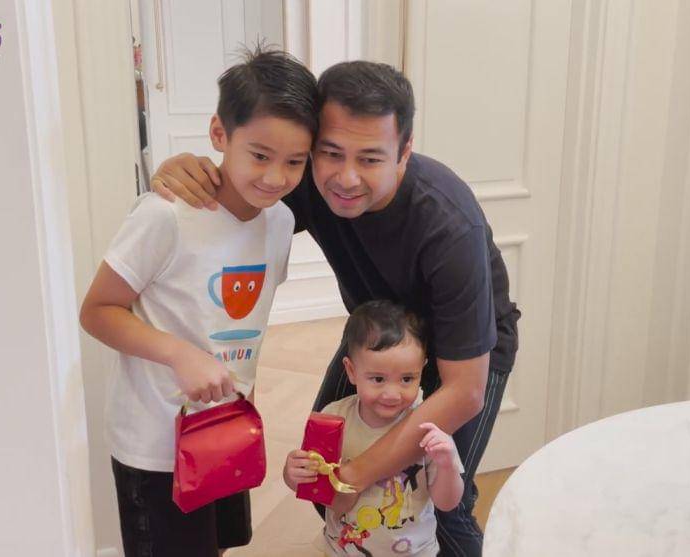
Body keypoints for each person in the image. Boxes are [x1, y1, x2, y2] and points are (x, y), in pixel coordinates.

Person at [153, 59, 520, 556]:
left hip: (464, 354)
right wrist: (185, 172)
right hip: (375, 336)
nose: (346, 178)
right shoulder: (307, 180)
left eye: (370, 158)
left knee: (438, 504)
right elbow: (236, 201)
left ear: (404, 151)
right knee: (320, 469)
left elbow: (465, 391)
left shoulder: (449, 225)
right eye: (330, 153)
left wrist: (359, 473)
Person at [79, 48, 318, 557]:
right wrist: (179, 354)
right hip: (158, 447)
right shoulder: (166, 215)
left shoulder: (280, 222)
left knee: (216, 544)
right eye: (259, 155)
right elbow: (97, 311)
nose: (276, 177)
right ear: (218, 134)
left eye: (294, 162)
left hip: (225, 428)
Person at [284, 301, 464, 557]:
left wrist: (447, 465)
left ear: (421, 370)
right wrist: (293, 473)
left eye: (407, 379)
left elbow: (447, 502)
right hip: (343, 551)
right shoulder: (333, 418)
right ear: (351, 371)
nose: (392, 393)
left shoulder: (427, 424)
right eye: (378, 379)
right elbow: (312, 483)